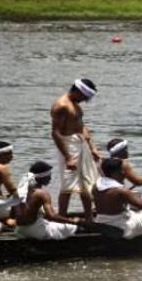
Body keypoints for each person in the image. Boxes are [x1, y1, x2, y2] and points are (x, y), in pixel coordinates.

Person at [51, 78, 101, 221]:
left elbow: (81, 126)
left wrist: (93, 148)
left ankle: (89, 217)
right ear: (78, 92)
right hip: (68, 146)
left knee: (86, 183)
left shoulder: (75, 105)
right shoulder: (61, 105)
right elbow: (55, 133)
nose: (85, 100)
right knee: (68, 185)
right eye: (84, 97)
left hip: (80, 144)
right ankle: (61, 218)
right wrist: (68, 157)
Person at [14, 161, 79, 240]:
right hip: (36, 231)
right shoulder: (42, 193)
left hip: (19, 231)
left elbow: (12, 215)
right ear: (42, 178)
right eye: (49, 176)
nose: (50, 178)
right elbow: (51, 216)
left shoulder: (18, 191)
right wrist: (73, 221)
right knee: (72, 227)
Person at [0, 141, 18, 224]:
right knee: (22, 200)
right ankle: (7, 221)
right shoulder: (2, 168)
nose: (12, 156)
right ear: (2, 155)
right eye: (10, 153)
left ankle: (3, 221)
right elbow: (12, 189)